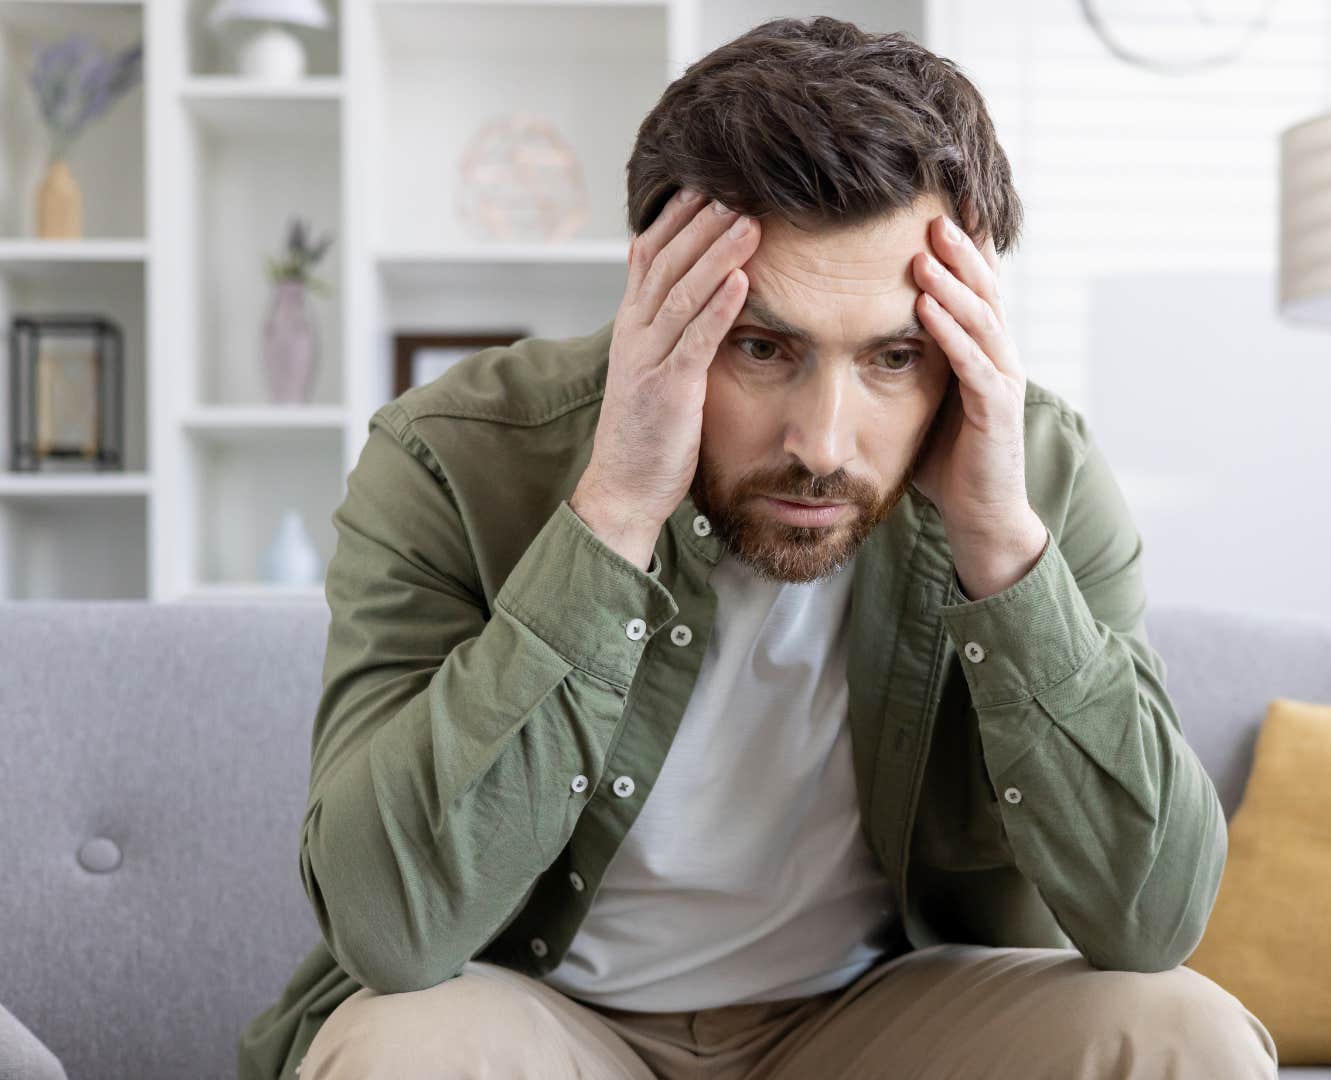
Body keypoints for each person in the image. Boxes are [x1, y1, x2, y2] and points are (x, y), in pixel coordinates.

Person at [238, 14, 1278, 1079]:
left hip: (877, 1020)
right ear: (654, 289)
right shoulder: (451, 458)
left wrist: (1002, 547)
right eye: (763, 347)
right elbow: (390, 926)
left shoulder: (1036, 472)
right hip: (546, 1018)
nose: (821, 447)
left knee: (1181, 1038)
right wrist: (613, 514)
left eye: (894, 356)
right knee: (399, 1054)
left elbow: (1151, 921)